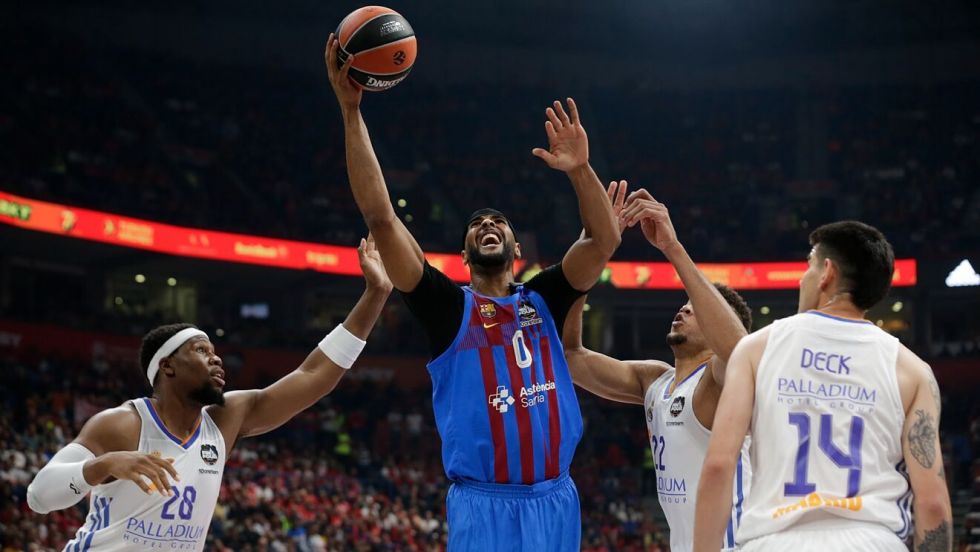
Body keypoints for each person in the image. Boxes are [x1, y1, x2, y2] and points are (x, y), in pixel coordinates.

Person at [325, 34, 621, 551]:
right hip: (485, 507)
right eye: (477, 224)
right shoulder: (448, 308)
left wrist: (579, 170)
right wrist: (352, 111)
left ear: (516, 248)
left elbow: (603, 240)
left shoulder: (544, 299)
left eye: (498, 221)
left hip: (557, 498)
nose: (487, 224)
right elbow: (381, 216)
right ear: (463, 255)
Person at [26, 236, 393, 551]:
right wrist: (104, 465)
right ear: (168, 366)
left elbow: (313, 376)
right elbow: (38, 497)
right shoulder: (122, 424)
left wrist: (376, 294)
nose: (216, 359)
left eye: (215, 352)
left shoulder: (226, 418)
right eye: (201, 350)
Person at [694, 221, 952, 552]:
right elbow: (933, 504)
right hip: (873, 541)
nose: (803, 279)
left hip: (775, 541)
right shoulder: (913, 371)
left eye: (808, 267)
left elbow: (718, 466)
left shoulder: (757, 348)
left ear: (827, 272)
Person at [563, 183, 753, 552]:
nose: (684, 308)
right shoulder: (654, 380)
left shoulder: (719, 380)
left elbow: (738, 352)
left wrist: (671, 247)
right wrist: (592, 251)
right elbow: (571, 356)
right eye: (684, 303)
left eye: (696, 308)